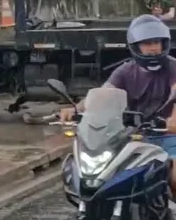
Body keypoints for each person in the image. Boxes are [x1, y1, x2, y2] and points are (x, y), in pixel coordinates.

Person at [60, 14, 176, 195]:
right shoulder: (125, 71)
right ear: (136, 47)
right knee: (112, 177)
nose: (153, 48)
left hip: (169, 137)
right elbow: (104, 94)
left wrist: (172, 121)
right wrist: (76, 109)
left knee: (175, 176)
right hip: (134, 137)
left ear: (164, 44)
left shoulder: (173, 68)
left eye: (156, 42)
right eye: (147, 44)